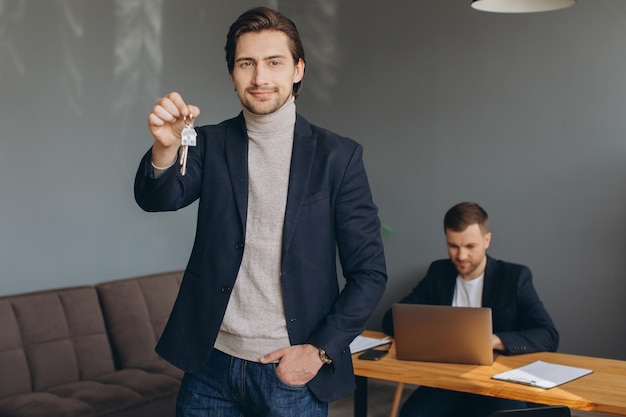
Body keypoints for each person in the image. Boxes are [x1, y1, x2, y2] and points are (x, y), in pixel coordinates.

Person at [133, 6, 387, 417]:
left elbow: (370, 273)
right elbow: (157, 199)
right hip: (210, 364)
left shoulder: (337, 157)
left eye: (274, 62)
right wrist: (165, 145)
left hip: (290, 372)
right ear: (232, 73)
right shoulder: (209, 144)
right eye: (246, 63)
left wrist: (319, 352)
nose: (260, 78)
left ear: (298, 70)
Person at [382, 202, 559, 417]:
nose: (461, 256)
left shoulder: (514, 277)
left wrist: (494, 340)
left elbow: (548, 335)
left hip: (496, 383)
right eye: (453, 246)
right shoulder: (439, 272)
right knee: (412, 414)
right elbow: (392, 319)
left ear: (487, 240)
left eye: (470, 247)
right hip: (447, 381)